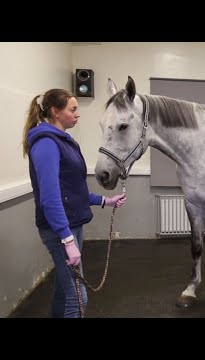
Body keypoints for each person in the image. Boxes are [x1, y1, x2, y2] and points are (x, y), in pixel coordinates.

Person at [22, 89, 127, 318]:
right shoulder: (46, 143)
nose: (78, 114)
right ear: (55, 112)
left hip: (71, 225)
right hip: (61, 229)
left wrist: (105, 201)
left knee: (64, 288)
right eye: (73, 109)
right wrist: (67, 238)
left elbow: (73, 191)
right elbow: (50, 198)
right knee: (78, 297)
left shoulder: (63, 141)